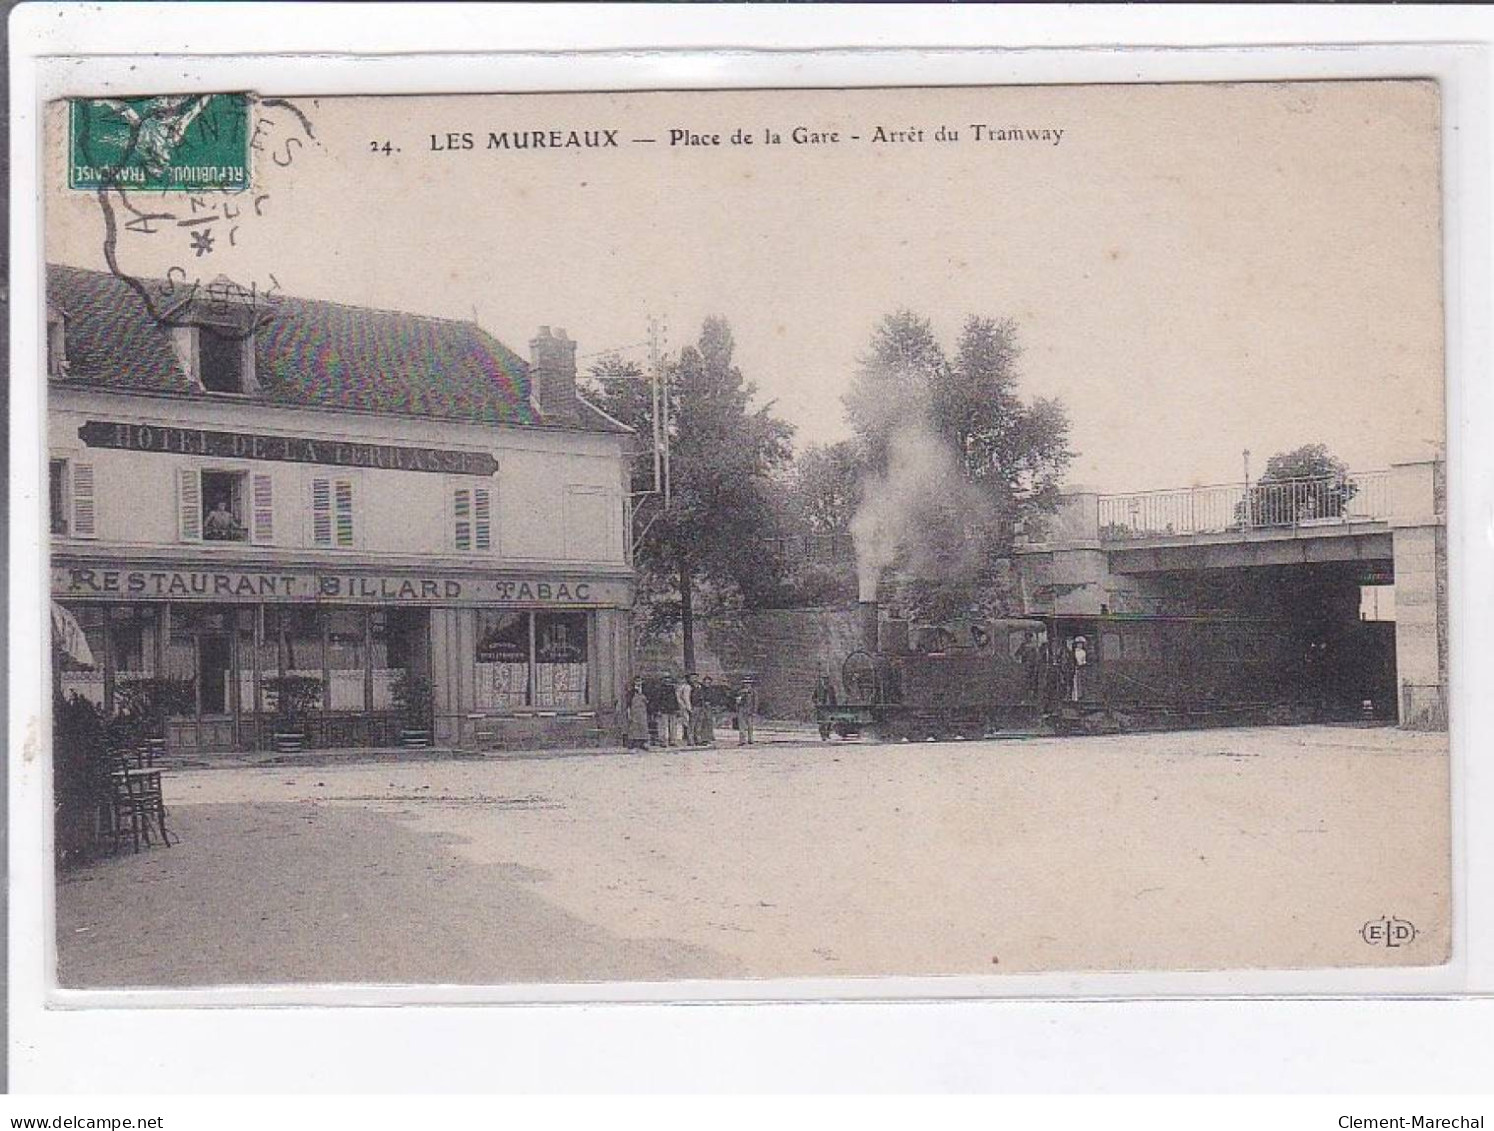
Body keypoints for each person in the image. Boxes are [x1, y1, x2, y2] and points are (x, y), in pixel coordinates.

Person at [626, 677, 650, 750]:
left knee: (643, 727)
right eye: (637, 681)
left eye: (640, 681)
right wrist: (629, 713)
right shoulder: (631, 692)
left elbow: (648, 701)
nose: (638, 683)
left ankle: (644, 743)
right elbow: (628, 703)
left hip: (643, 712)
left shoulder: (645, 691)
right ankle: (634, 743)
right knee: (634, 728)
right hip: (634, 712)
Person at [812, 672, 837, 740]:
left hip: (830, 707)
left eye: (826, 679)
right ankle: (823, 735)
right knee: (821, 722)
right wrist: (817, 703)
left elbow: (833, 697)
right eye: (824, 679)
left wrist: (834, 706)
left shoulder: (831, 688)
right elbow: (814, 697)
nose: (825, 680)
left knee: (830, 721)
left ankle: (827, 734)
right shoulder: (819, 688)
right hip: (821, 708)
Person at [695, 675, 717, 745]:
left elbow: (714, 698)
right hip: (701, 707)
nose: (707, 683)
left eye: (709, 682)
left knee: (709, 722)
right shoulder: (700, 689)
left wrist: (711, 704)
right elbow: (699, 697)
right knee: (701, 722)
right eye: (706, 682)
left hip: (709, 707)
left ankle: (707, 738)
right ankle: (700, 738)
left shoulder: (711, 690)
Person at [736, 677, 758, 746]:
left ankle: (750, 739)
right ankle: (742, 740)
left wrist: (754, 711)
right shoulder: (740, 692)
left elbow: (755, 702)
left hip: (750, 710)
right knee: (742, 726)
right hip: (742, 709)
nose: (747, 684)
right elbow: (737, 701)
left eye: (748, 683)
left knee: (750, 726)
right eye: (745, 683)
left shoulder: (753, 692)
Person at [674, 673, 694, 747]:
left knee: (687, 722)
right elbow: (685, 698)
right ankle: (688, 739)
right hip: (685, 706)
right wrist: (688, 707)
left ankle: (687, 737)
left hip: (684, 706)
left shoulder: (682, 687)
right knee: (687, 722)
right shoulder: (685, 687)